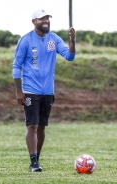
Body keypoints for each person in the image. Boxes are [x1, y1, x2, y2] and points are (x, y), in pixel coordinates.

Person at [12, 9, 76, 172]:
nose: (46, 21)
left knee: (41, 126)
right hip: (30, 91)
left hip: (48, 92)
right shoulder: (25, 40)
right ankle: (34, 163)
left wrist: (72, 42)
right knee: (32, 125)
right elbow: (16, 66)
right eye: (42, 19)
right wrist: (19, 91)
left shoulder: (54, 39)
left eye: (47, 18)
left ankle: (36, 159)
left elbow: (69, 57)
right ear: (34, 21)